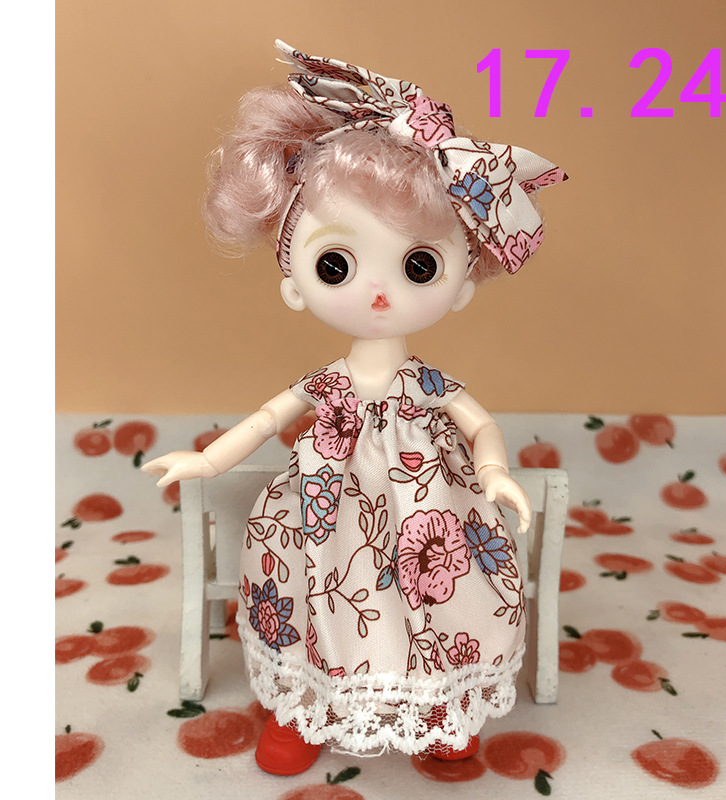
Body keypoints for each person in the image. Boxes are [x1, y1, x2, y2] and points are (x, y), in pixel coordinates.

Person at [142, 40, 566, 775]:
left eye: (418, 265)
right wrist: (207, 461)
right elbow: (268, 420)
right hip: (323, 515)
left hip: (428, 512)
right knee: (309, 592)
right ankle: (303, 712)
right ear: (295, 283)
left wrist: (493, 472)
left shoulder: (425, 383)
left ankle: (440, 707)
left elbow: (479, 423)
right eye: (335, 264)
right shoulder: (326, 383)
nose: (378, 291)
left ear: (462, 285)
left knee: (443, 594)